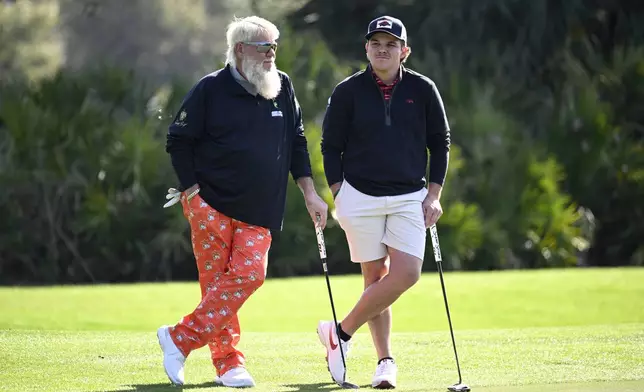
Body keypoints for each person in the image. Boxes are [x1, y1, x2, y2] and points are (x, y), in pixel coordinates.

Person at [158, 16, 328, 388]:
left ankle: (179, 338)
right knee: (217, 284)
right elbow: (178, 139)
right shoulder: (209, 89)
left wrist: (310, 193)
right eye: (264, 47)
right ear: (239, 50)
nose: (272, 54)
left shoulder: (281, 85)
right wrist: (192, 194)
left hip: (260, 207)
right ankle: (228, 363)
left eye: (274, 47)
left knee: (250, 274)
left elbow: (297, 140)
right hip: (210, 205)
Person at [318, 15, 451, 389]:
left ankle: (338, 333)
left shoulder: (423, 89)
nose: (382, 49)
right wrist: (338, 191)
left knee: (406, 273)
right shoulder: (348, 90)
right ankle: (384, 362)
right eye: (375, 43)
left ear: (404, 51)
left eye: (390, 44)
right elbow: (331, 145)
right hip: (359, 195)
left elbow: (439, 142)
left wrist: (435, 194)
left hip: (410, 195)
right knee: (374, 278)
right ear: (366, 48)